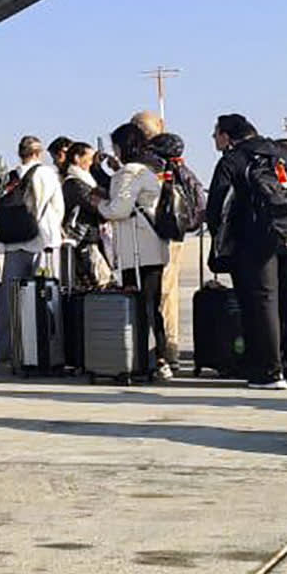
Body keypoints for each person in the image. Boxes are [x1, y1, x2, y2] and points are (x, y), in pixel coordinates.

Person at [207, 114, 287, 390]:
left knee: (263, 302)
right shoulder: (281, 154)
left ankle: (269, 371)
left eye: (216, 134)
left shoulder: (232, 160)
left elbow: (217, 206)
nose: (214, 139)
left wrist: (222, 237)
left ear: (228, 136)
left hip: (256, 240)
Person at [130, 111, 204, 362]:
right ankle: (170, 345)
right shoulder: (175, 160)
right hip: (178, 232)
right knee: (169, 291)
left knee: (159, 292)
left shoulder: (146, 163)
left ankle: (161, 349)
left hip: (157, 233)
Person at [104, 124, 175, 379]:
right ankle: (161, 358)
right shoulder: (148, 171)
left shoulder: (129, 173)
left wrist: (100, 204)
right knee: (153, 306)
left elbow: (118, 210)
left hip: (136, 251)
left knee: (138, 306)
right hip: (153, 248)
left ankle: (141, 358)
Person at [0, 135, 66, 365]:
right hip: (42, 242)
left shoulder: (9, 176)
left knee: (9, 299)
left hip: (13, 242)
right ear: (39, 152)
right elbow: (58, 209)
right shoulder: (47, 174)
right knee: (45, 297)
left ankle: (3, 349)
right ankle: (42, 348)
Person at [60, 142, 112, 290]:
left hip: (89, 238)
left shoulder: (84, 181)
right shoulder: (74, 184)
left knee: (95, 281)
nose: (91, 162)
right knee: (101, 281)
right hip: (83, 239)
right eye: (90, 158)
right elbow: (93, 204)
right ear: (77, 158)